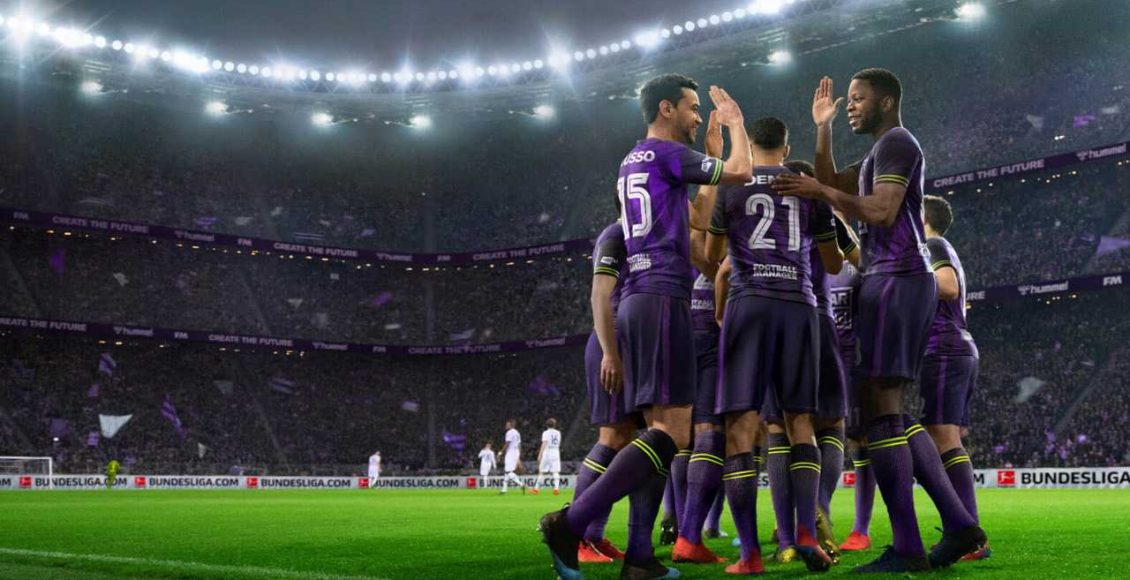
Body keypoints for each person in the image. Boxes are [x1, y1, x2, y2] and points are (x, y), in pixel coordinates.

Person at [540, 73, 753, 580]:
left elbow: (696, 220)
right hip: (660, 295)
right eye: (692, 107)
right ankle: (571, 522)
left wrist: (709, 155)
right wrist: (736, 125)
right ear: (665, 109)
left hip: (640, 297)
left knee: (656, 433)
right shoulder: (667, 153)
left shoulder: (635, 159)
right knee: (671, 433)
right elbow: (743, 171)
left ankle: (640, 558)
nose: (699, 116)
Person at [773, 71, 986, 572]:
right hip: (889, 279)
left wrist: (820, 192)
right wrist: (822, 129)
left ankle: (914, 544)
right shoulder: (877, 152)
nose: (850, 105)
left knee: (880, 411)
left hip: (898, 277)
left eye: (858, 98)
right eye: (848, 100)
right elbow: (830, 183)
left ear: (885, 102)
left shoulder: (898, 144)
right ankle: (956, 524)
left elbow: (882, 212)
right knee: (881, 412)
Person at [705, 117, 842, 574]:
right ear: (786, 147)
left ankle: (750, 555)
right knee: (801, 422)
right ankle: (806, 535)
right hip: (799, 306)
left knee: (741, 428)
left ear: (752, 145)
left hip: (749, 303)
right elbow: (833, 262)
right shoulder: (806, 188)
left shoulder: (731, 187)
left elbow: (712, 258)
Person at [920, 195, 989, 561]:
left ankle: (968, 533)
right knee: (945, 437)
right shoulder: (942, 248)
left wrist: (907, 285)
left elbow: (947, 286)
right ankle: (965, 530)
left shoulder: (932, 245)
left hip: (945, 348)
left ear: (923, 217)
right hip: (955, 347)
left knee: (943, 438)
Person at [574, 219, 633, 564]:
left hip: (629, 343)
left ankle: (594, 535)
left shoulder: (640, 235)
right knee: (611, 438)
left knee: (624, 441)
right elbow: (600, 294)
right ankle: (577, 535)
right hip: (611, 343)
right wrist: (610, 352)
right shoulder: (616, 234)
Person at [532, 418, 563, 495]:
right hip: (556, 451)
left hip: (548, 451)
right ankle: (556, 489)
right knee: (555, 471)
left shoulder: (546, 433)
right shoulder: (558, 433)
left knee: (542, 471)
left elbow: (544, 444)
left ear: (546, 425)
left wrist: (540, 454)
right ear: (554, 425)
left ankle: (536, 489)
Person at [499, 419, 525, 495]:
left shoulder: (509, 432)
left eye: (507, 424)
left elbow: (507, 443)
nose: (506, 425)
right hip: (516, 452)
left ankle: (521, 484)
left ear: (511, 425)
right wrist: (518, 455)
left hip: (510, 453)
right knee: (507, 471)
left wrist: (501, 452)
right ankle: (504, 490)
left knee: (508, 471)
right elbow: (519, 445)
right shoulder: (517, 433)